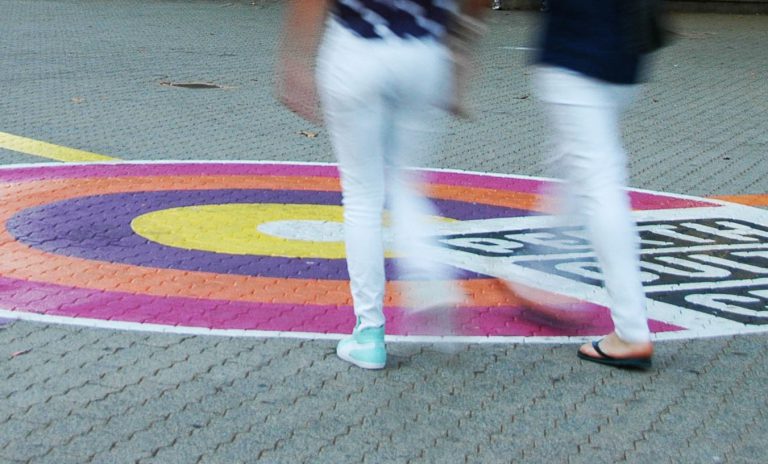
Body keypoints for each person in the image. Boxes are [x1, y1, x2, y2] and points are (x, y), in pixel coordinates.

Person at [277, 0, 486, 370]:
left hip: (356, 50)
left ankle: (369, 333)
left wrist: (295, 57)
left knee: (362, 197)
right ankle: (428, 272)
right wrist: (461, 45)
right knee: (405, 182)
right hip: (424, 53)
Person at [532, 0, 666, 369]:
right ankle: (541, 273)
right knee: (575, 164)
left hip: (577, 48)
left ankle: (630, 329)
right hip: (626, 54)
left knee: (598, 183)